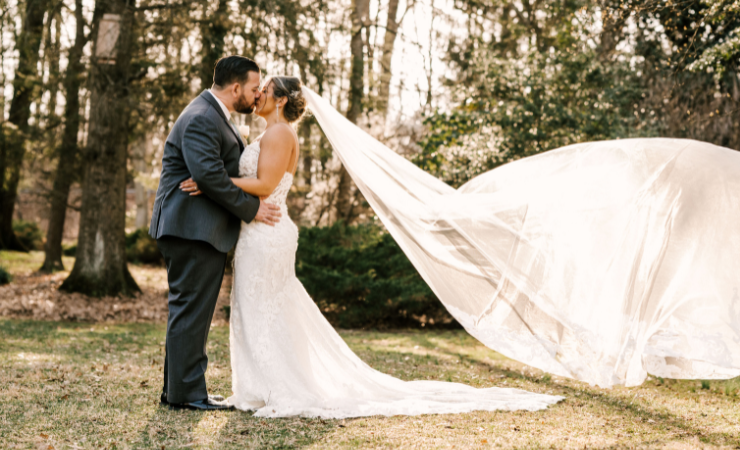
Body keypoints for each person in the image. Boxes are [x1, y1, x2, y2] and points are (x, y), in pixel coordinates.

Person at [179, 75, 565, 418]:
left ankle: (280, 387)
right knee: (260, 310)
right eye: (257, 89)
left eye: (265, 90)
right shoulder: (267, 134)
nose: (258, 94)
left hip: (268, 235)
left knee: (265, 310)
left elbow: (264, 186)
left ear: (280, 99)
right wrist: (221, 181)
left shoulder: (280, 135)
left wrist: (214, 182)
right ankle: (258, 387)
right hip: (258, 233)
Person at [150, 56, 282, 411]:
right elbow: (207, 176)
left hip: (197, 228)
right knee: (191, 312)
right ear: (235, 87)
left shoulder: (212, 115)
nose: (257, 96)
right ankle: (186, 395)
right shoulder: (202, 118)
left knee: (191, 311)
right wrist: (253, 210)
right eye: (254, 88)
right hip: (191, 228)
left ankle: (180, 390)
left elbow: (211, 176)